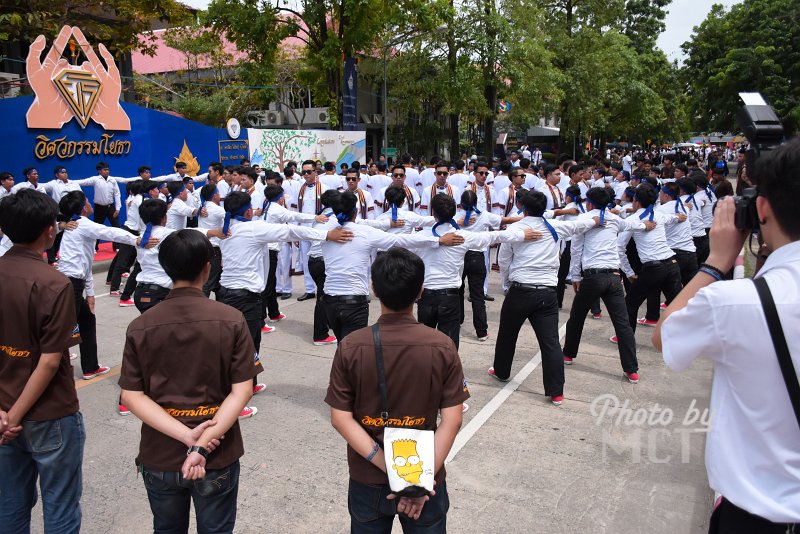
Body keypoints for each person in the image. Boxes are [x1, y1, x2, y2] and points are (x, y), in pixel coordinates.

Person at [654, 138, 800, 531]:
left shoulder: (736, 304)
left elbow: (665, 336)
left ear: (762, 208)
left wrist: (718, 261)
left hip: (758, 514)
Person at [119, 229, 257, 534]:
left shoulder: (141, 325)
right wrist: (201, 445)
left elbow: (131, 396)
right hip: (216, 454)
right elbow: (242, 390)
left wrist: (186, 437)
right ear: (207, 267)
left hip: (160, 452)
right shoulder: (231, 319)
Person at [325, 247, 469, 532]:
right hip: (426, 484)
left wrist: (390, 469)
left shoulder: (351, 346)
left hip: (369, 476)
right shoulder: (442, 346)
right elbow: (452, 419)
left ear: (374, 289)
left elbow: (340, 418)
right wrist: (418, 480)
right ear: (420, 291)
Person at [0, 189, 84, 533]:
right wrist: (15, 417)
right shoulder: (54, 282)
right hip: (49, 412)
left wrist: (5, 417)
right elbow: (50, 361)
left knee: (10, 504)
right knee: (60, 506)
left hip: (4, 413)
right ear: (50, 230)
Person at [490, 190, 599, 405]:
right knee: (550, 343)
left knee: (508, 333)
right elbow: (581, 225)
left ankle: (502, 371)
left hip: (521, 289)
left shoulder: (516, 228)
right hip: (547, 292)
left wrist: (506, 285)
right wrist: (599, 217)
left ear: (522, 207)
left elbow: (503, 261)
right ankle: (556, 391)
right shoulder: (556, 226)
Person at [563, 187, 653, 380]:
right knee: (622, 325)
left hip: (593, 276)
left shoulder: (584, 220)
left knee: (576, 317)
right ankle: (631, 370)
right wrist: (646, 225)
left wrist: (575, 277)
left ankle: (568, 354)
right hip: (613, 277)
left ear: (589, 203)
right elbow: (632, 226)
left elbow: (576, 250)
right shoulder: (614, 220)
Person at [57, 191, 142, 380]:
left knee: (86, 320)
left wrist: (90, 293)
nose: (89, 202)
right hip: (70, 283)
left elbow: (85, 263)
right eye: (87, 200)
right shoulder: (83, 224)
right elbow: (109, 232)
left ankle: (90, 367)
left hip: (73, 281)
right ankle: (53, 372)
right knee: (63, 329)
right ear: (83, 208)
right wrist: (134, 239)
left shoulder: (74, 225)